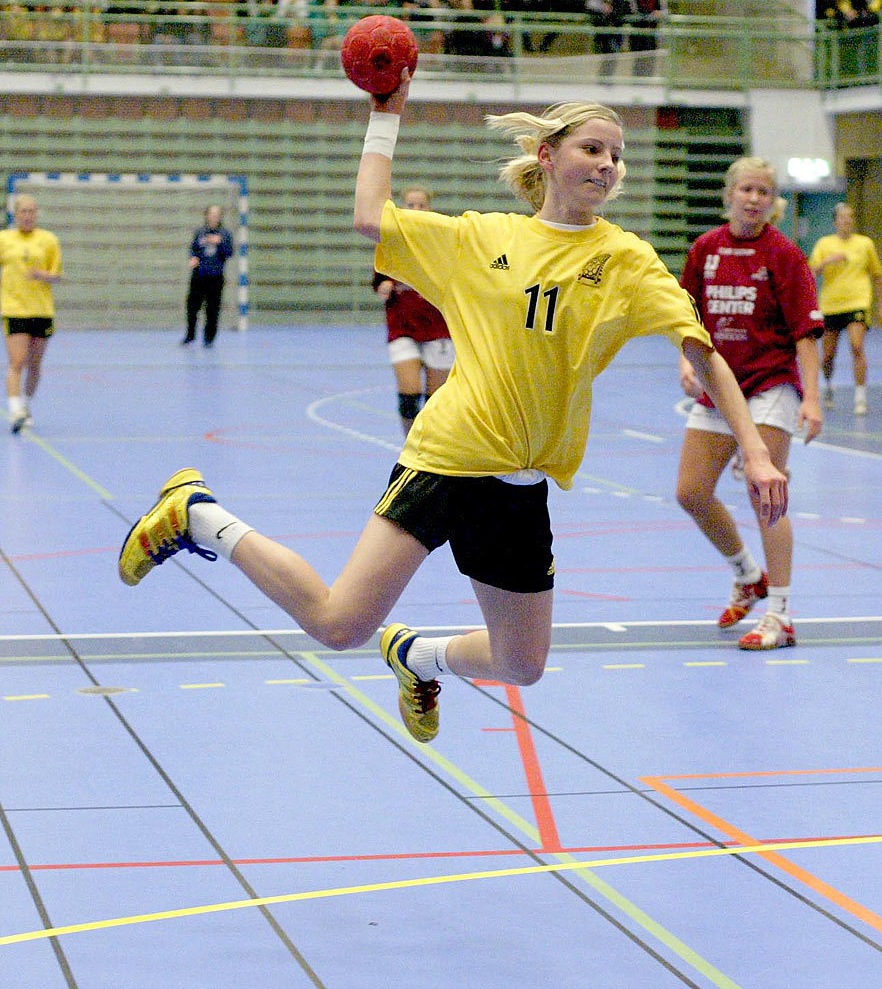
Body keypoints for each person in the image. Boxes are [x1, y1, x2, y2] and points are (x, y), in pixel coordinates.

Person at [118, 78, 788, 746]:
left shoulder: (625, 260)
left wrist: (755, 451)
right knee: (339, 624)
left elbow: (702, 354)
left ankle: (415, 656)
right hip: (447, 460)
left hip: (520, 488)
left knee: (522, 665)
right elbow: (370, 215)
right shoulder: (481, 239)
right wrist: (386, 112)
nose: (609, 164)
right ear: (546, 155)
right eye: (593, 148)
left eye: (617, 155)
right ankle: (197, 516)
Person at [675, 156, 824, 651]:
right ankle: (747, 575)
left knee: (767, 495)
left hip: (770, 384)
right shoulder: (706, 249)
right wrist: (686, 363)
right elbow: (685, 316)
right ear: (729, 195)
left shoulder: (783, 255)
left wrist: (812, 401)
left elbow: (806, 334)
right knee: (691, 491)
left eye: (763, 191)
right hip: (720, 385)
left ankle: (779, 614)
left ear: (772, 201)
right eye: (747, 190)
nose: (754, 198)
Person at [371, 186, 454, 436]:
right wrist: (385, 285)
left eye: (421, 205)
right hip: (402, 327)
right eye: (411, 204)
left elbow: (453, 278)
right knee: (409, 394)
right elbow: (379, 280)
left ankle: (431, 446)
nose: (416, 210)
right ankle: (410, 447)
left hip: (437, 328)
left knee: (436, 400)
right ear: (402, 207)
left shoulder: (441, 241)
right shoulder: (391, 241)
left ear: (430, 209)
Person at [807, 201, 882, 416]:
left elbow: (877, 275)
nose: (847, 221)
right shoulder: (824, 244)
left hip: (858, 302)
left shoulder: (865, 244)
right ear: (835, 221)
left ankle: (860, 397)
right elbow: (811, 272)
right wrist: (827, 262)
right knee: (828, 356)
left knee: (857, 346)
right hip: (831, 304)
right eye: (843, 217)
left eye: (850, 217)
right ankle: (829, 386)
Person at [0, 193, 62, 434]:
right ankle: (15, 410)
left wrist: (43, 275)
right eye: (23, 211)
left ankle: (25, 404)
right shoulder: (4, 239)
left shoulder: (48, 240)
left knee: (34, 365)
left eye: (32, 211)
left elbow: (56, 273)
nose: (28, 215)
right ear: (15, 214)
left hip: (42, 310)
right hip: (14, 309)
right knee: (17, 362)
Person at [184, 204, 234, 347]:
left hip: (215, 276)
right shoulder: (200, 232)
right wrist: (193, 258)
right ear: (206, 215)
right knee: (192, 306)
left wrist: (220, 243)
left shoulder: (225, 234)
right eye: (211, 214)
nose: (214, 217)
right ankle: (190, 335)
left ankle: (209, 338)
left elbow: (229, 253)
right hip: (199, 275)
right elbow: (193, 249)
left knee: (212, 309)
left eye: (217, 214)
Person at [585, 0, 629, 80]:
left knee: (613, 55)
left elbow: (622, 12)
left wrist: (611, 11)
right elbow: (589, 10)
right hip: (601, 33)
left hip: (616, 33)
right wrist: (602, 8)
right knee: (607, 54)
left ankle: (606, 79)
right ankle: (603, 79)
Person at [627, 0, 666, 78]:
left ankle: (648, 80)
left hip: (653, 34)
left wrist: (659, 14)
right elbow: (632, 11)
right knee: (637, 61)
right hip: (638, 35)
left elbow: (665, 12)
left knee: (651, 60)